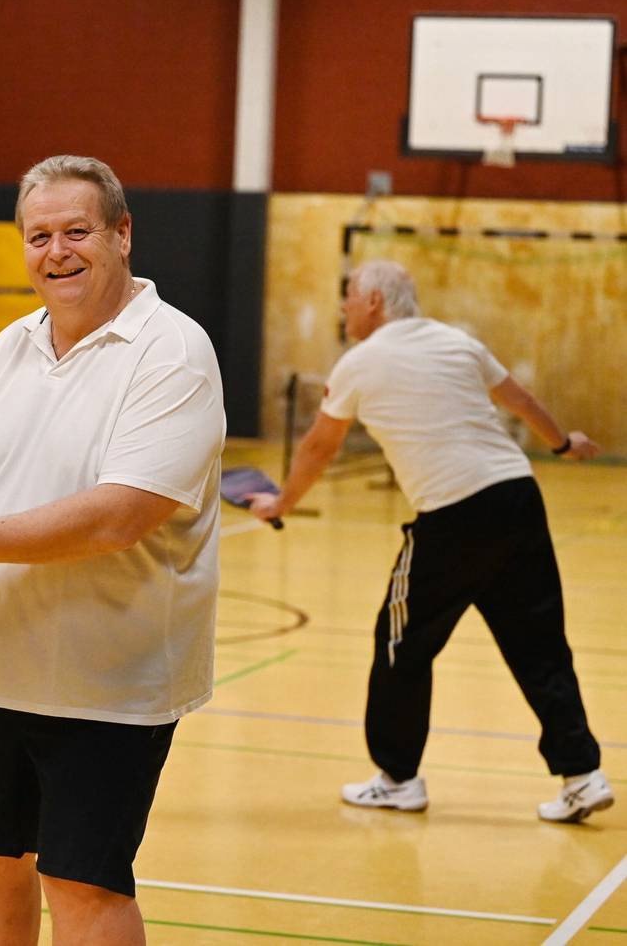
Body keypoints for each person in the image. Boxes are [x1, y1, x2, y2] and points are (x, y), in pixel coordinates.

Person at [0, 155, 225, 945]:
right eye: (39, 236)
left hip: (111, 682)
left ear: (123, 234)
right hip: (1, 668)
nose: (56, 251)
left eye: (77, 231)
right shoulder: (10, 346)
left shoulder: (173, 351)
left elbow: (117, 518)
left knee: (83, 879)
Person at [248, 259, 614, 825]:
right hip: (517, 498)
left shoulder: (359, 364)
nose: (343, 308)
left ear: (373, 301)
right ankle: (582, 775)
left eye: (347, 297)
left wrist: (281, 504)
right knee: (539, 646)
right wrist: (563, 444)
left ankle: (398, 779)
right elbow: (520, 400)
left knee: (400, 644)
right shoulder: (457, 342)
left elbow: (319, 448)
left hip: (452, 515)